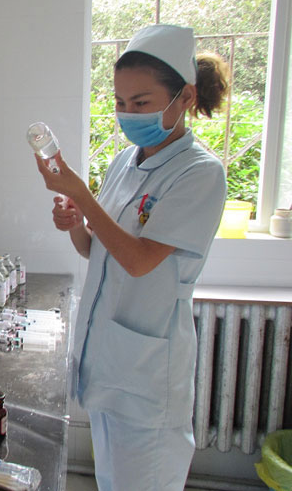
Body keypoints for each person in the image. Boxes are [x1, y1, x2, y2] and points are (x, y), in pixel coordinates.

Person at [35, 24, 229, 490]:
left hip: (146, 379)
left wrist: (82, 194)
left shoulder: (200, 174)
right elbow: (97, 251)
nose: (127, 114)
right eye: (120, 102)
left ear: (185, 97)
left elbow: (140, 261)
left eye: (141, 103)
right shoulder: (126, 161)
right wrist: (76, 222)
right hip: (107, 364)